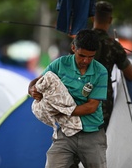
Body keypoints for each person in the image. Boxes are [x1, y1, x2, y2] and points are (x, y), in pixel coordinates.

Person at [28, 29, 108, 168]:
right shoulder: (60, 64)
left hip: (92, 133)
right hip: (66, 132)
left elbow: (91, 107)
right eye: (82, 55)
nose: (86, 61)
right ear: (73, 48)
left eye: (91, 57)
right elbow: (38, 81)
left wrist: (62, 111)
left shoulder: (100, 71)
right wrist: (32, 90)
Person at [92, 0, 132, 130]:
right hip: (102, 103)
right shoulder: (114, 46)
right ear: (110, 20)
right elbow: (131, 75)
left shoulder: (80, 40)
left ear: (93, 17)